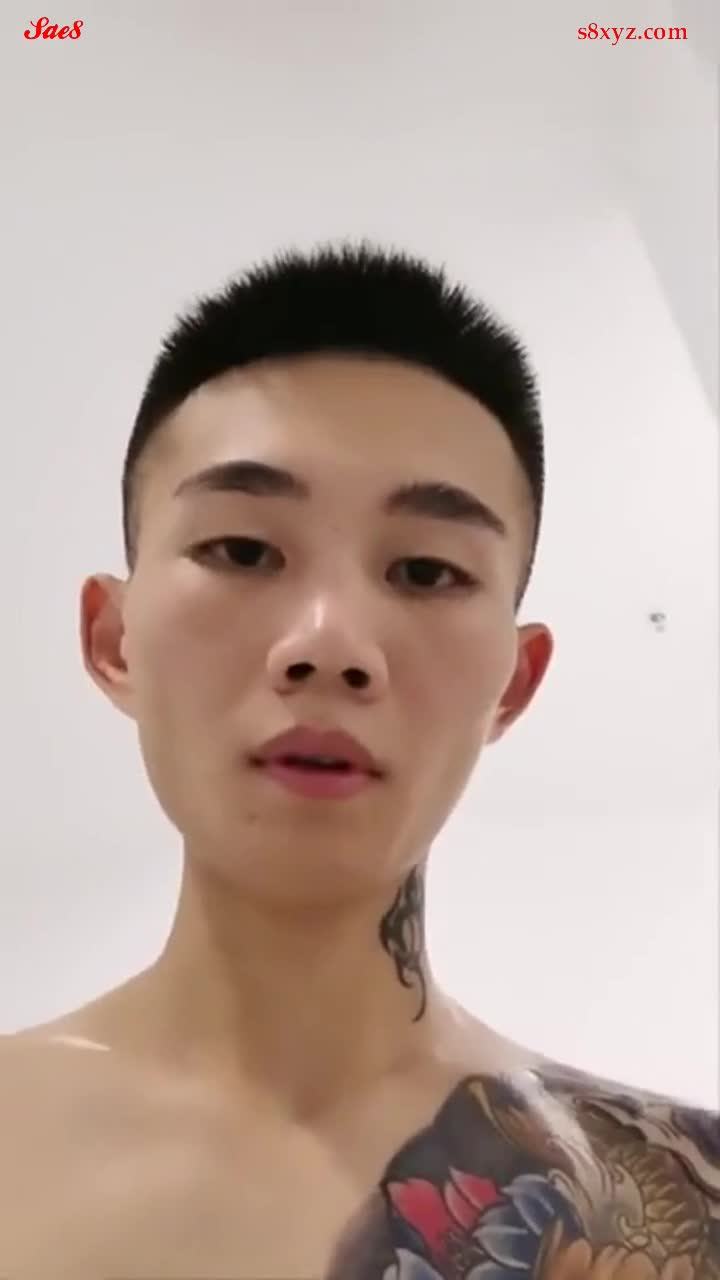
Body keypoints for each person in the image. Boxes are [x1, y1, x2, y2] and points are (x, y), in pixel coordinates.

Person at [1, 242, 717, 1279]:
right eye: (244, 550)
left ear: (513, 683)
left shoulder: (685, 1206)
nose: (331, 643)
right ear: (114, 640)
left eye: (425, 570)